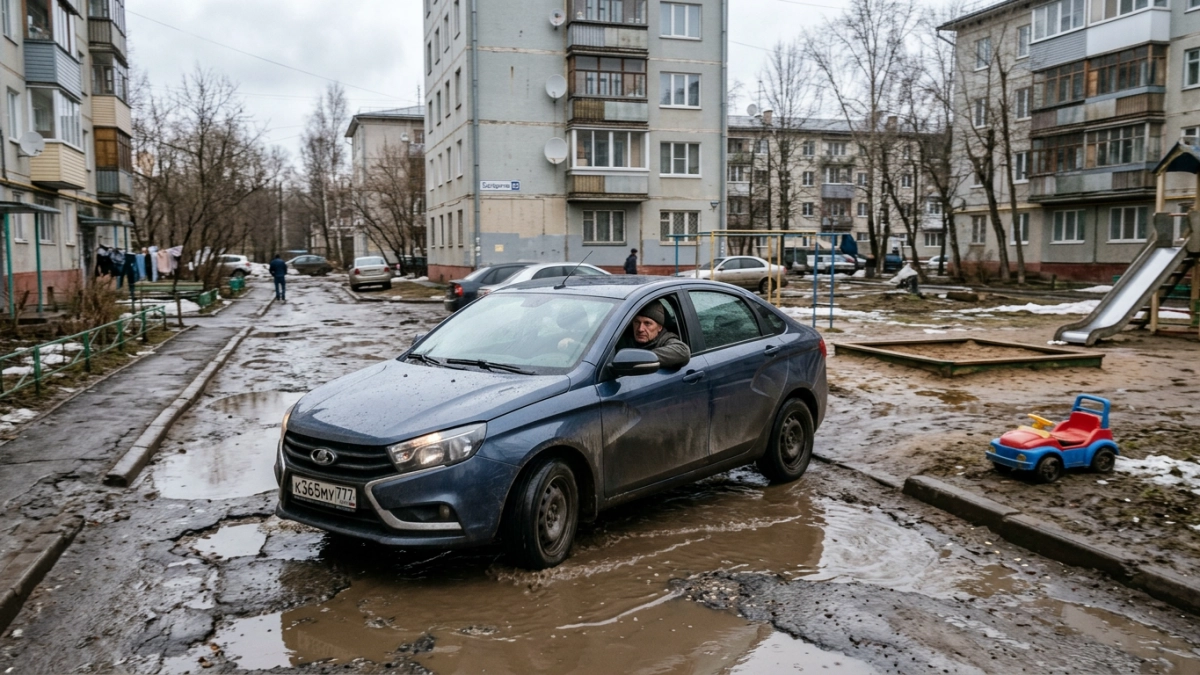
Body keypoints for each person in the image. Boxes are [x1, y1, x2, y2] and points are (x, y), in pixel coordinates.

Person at [617, 301, 689, 369]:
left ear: (659, 327)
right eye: (637, 322)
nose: (640, 329)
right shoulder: (623, 337)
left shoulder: (665, 339)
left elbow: (683, 351)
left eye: (647, 323)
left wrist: (639, 357)